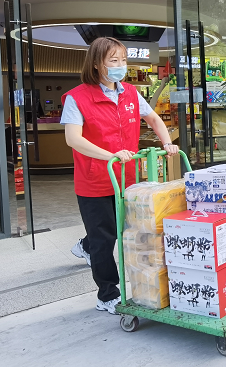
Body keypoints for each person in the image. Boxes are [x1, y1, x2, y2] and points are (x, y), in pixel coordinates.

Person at [62, 37, 178, 314]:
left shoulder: (129, 93)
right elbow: (73, 139)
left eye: (123, 60)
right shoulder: (77, 98)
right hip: (95, 180)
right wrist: (109, 156)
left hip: (129, 178)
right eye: (113, 61)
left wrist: (166, 142)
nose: (120, 66)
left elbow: (153, 119)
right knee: (105, 240)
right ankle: (107, 295)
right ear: (96, 64)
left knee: (121, 229)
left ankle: (85, 244)